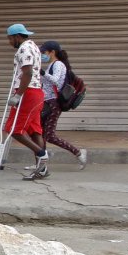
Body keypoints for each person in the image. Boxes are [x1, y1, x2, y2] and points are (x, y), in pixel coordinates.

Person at [4, 24, 49, 179]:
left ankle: (42, 155)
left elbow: (27, 72)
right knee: (34, 130)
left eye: (10, 39)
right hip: (37, 93)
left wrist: (18, 95)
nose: (9, 42)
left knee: (13, 130)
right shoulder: (34, 47)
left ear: (16, 36)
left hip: (28, 93)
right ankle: (42, 169)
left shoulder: (23, 48)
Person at [37, 41, 89, 170]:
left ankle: (78, 152)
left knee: (49, 135)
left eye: (44, 52)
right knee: (40, 133)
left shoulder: (58, 64)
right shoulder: (51, 65)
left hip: (54, 103)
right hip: (47, 101)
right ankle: (40, 163)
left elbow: (55, 80)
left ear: (52, 52)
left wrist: (42, 73)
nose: (42, 55)